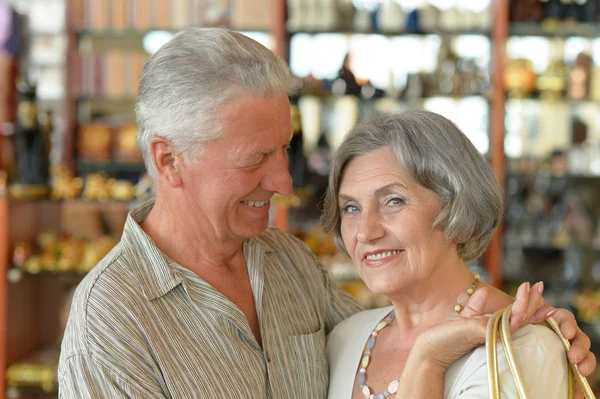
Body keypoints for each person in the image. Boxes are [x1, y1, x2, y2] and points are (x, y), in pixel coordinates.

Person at [58, 27, 594, 398]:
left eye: (284, 150)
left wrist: (526, 326)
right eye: (256, 159)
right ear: (168, 160)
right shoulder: (112, 319)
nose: (284, 182)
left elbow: (393, 330)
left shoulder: (287, 263)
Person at [323, 110, 593, 398]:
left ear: (455, 206)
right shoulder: (344, 339)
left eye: (393, 201)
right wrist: (428, 356)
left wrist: (429, 359)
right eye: (351, 208)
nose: (365, 232)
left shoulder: (521, 350)